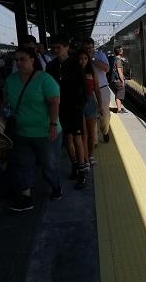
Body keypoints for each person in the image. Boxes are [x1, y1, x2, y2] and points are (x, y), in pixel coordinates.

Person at [5, 47, 62, 212]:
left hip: (45, 132)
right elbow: (7, 103)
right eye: (16, 60)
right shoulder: (11, 80)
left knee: (49, 165)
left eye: (22, 59)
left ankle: (56, 186)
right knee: (23, 164)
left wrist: (52, 125)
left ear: (32, 60)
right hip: (22, 132)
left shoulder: (45, 79)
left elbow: (54, 103)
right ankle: (26, 197)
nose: (18, 63)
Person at [46, 35, 89, 182]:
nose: (56, 50)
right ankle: (75, 165)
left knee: (77, 138)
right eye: (53, 47)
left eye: (59, 47)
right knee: (67, 138)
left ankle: (82, 171)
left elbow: (84, 87)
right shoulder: (50, 66)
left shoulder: (75, 64)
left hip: (74, 107)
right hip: (58, 108)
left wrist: (80, 105)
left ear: (66, 48)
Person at [75, 50, 101, 188]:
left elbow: (97, 89)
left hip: (90, 103)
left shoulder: (92, 73)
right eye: (80, 58)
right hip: (78, 104)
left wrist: (101, 105)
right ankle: (84, 159)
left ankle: (90, 155)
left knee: (91, 133)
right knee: (82, 134)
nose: (83, 61)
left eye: (85, 58)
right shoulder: (72, 73)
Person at [81, 38, 110, 143]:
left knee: (105, 113)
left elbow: (106, 69)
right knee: (92, 115)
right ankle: (95, 140)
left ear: (93, 47)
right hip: (88, 90)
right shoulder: (81, 58)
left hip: (102, 88)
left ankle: (105, 131)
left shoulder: (100, 55)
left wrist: (92, 58)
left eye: (90, 47)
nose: (88, 50)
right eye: (86, 48)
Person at [112, 46, 127, 114]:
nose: (122, 50)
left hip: (116, 80)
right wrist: (122, 80)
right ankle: (119, 109)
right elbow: (119, 71)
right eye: (121, 49)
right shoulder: (118, 60)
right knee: (119, 94)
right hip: (118, 80)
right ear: (119, 51)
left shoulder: (116, 59)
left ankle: (120, 108)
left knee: (120, 94)